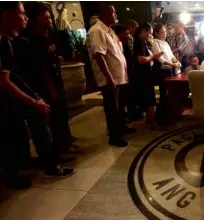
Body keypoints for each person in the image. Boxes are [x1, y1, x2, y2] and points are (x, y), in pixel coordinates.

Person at [0, 2, 74, 188]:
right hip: (12, 100)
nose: (24, 18)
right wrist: (33, 100)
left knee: (26, 133)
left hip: (26, 95)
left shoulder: (12, 40)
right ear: (7, 15)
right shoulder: (10, 42)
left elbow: (14, 75)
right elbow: (7, 79)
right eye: (21, 13)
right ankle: (30, 170)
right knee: (26, 132)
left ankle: (32, 165)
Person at [23, 2, 81, 158]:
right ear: (33, 19)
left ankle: (65, 144)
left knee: (61, 115)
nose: (49, 21)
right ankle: (55, 154)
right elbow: (38, 68)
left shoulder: (49, 35)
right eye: (45, 18)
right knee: (48, 123)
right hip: (44, 88)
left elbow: (53, 57)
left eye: (49, 17)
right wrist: (51, 89)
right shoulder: (29, 40)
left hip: (56, 82)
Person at [87, 3, 135, 147]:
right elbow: (99, 55)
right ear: (104, 14)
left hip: (118, 77)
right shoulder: (97, 30)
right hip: (110, 79)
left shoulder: (109, 30)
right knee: (112, 108)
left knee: (119, 106)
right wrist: (109, 78)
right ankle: (114, 136)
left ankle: (121, 128)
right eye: (113, 13)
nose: (115, 15)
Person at [133, 23, 163, 129]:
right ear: (144, 31)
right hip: (144, 75)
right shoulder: (140, 42)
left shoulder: (142, 42)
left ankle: (149, 119)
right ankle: (154, 122)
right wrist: (153, 56)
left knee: (150, 97)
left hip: (145, 74)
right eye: (149, 32)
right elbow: (141, 60)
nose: (150, 34)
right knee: (151, 98)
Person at [115, 24, 141, 122]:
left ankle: (133, 113)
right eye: (126, 33)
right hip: (124, 74)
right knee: (125, 97)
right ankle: (129, 116)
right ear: (119, 34)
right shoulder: (119, 44)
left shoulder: (125, 43)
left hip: (129, 73)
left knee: (130, 95)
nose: (128, 35)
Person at [151, 23, 181, 103]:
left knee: (169, 92)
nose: (164, 34)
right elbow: (159, 59)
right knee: (162, 93)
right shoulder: (155, 43)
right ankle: (161, 112)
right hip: (160, 71)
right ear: (156, 33)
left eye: (165, 32)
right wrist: (172, 64)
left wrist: (177, 61)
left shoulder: (166, 43)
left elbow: (171, 56)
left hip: (169, 70)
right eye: (162, 32)